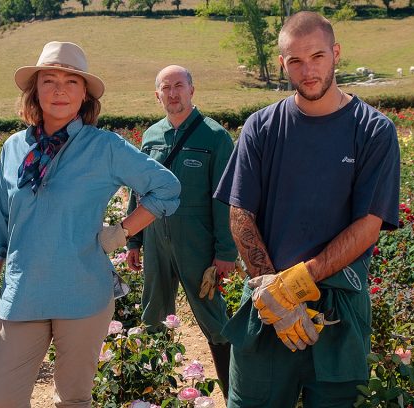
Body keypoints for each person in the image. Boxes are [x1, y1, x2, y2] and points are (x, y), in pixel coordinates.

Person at [0, 41, 181, 408]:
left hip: (83, 293)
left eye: (71, 82)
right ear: (34, 91)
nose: (59, 90)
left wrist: (121, 232)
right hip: (23, 294)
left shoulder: (103, 147)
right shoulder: (13, 148)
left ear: (84, 93)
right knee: (3, 400)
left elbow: (166, 187)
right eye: (49, 81)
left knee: (73, 400)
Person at [213, 12, 401, 407]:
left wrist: (293, 285)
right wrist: (273, 293)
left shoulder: (372, 130)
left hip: (338, 307)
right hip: (265, 307)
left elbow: (368, 225)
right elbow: (240, 214)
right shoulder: (261, 127)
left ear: (336, 53)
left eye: (317, 56)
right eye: (295, 61)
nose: (308, 70)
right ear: (283, 64)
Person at [125, 65, 237, 397]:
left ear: (192, 89)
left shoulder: (214, 137)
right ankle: (156, 393)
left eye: (179, 86)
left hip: (198, 241)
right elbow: (138, 190)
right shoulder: (151, 136)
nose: (173, 93)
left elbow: (225, 199)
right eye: (166, 88)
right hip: (157, 238)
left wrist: (225, 253)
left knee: (214, 319)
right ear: (157, 95)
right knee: (153, 315)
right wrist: (134, 239)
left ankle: (236, 395)